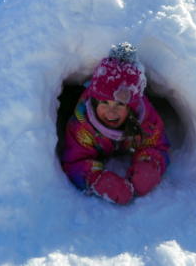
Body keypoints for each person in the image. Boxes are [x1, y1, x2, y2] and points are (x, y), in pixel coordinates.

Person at [60, 43, 170, 205]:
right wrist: (97, 179)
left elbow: (156, 144)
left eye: (120, 104)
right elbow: (74, 160)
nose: (111, 112)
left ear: (131, 108)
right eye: (105, 102)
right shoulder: (83, 125)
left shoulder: (144, 118)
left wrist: (149, 165)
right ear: (95, 101)